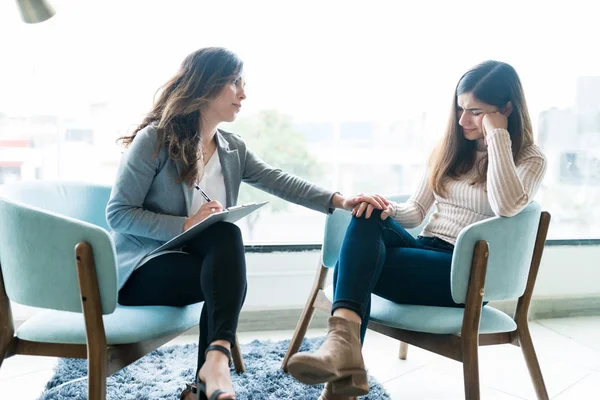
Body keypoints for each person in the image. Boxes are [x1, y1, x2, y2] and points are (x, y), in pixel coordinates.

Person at [105, 47, 384, 400]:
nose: (243, 93)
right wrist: (186, 224)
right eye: (235, 82)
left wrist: (341, 201)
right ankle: (212, 374)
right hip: (142, 271)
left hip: (197, 267)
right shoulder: (155, 141)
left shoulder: (231, 148)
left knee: (224, 239)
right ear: (206, 85)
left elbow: (279, 180)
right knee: (224, 254)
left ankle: (212, 370)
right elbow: (118, 213)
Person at [286, 60, 548, 400]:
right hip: (424, 250)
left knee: (351, 268)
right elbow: (416, 211)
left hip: (467, 277)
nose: (463, 120)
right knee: (366, 217)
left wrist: (497, 136)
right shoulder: (451, 148)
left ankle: (343, 368)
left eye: (475, 112)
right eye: (459, 109)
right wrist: (386, 208)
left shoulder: (529, 158)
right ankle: (343, 353)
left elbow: (506, 205)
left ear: (506, 109)